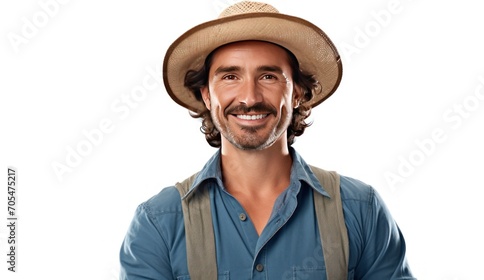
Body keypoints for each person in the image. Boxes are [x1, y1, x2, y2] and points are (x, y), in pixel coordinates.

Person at [119, 1, 416, 279]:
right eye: (230, 76)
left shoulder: (360, 209)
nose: (249, 98)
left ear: (297, 92)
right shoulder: (158, 222)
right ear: (206, 95)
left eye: (269, 77)